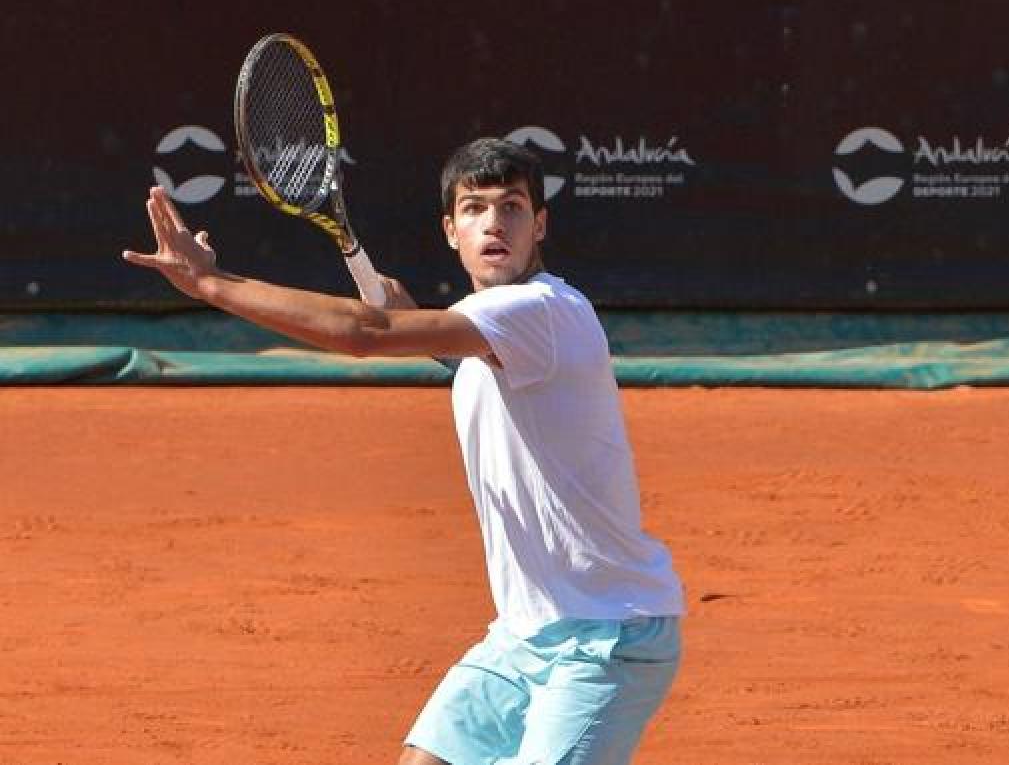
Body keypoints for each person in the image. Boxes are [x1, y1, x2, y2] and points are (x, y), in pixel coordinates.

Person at [123, 138, 685, 765]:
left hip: (607, 635)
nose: (494, 222)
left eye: (513, 207)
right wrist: (415, 321)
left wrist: (213, 284)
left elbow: (367, 333)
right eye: (474, 208)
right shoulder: (491, 326)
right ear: (451, 230)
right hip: (523, 634)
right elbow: (446, 346)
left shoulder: (544, 309)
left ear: (540, 225)